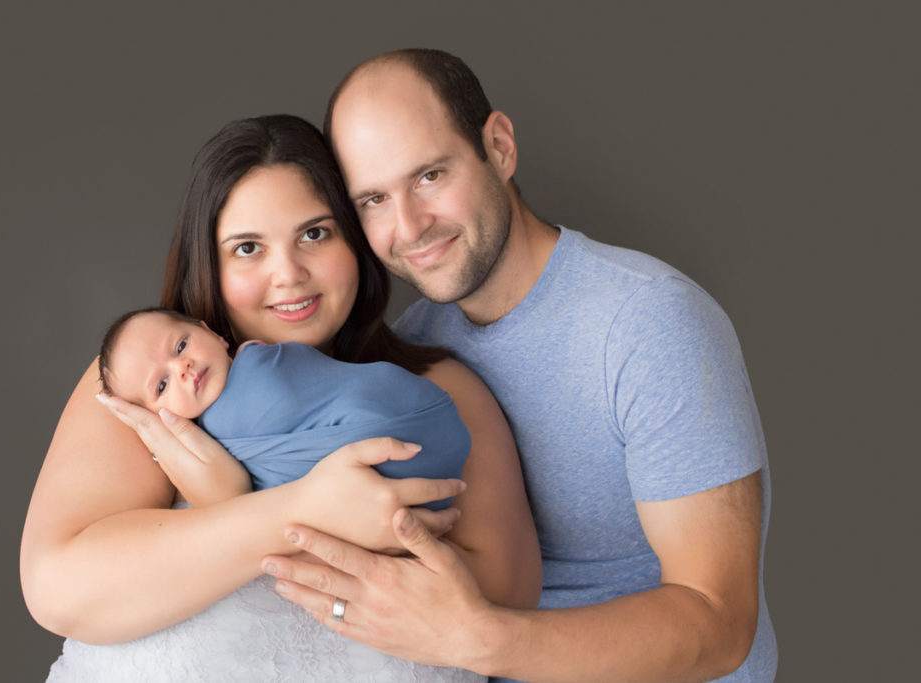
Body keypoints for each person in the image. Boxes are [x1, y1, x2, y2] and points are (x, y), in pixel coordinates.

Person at [261, 49, 778, 682]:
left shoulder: (648, 322)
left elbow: (720, 624)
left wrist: (476, 640)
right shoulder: (413, 350)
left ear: (499, 148)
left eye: (428, 175)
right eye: (372, 199)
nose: (409, 227)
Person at [22, 114, 540, 682]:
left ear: (356, 239)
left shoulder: (435, 387)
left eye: (315, 234)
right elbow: (61, 589)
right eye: (247, 248)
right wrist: (304, 511)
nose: (288, 274)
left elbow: (506, 598)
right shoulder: (147, 380)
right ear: (209, 264)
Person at [96, 307, 470, 507]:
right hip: (428, 457)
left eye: (181, 347)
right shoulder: (199, 436)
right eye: (161, 385)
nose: (183, 368)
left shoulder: (260, 367)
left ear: (210, 332)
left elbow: (234, 503)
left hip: (413, 428)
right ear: (155, 415)